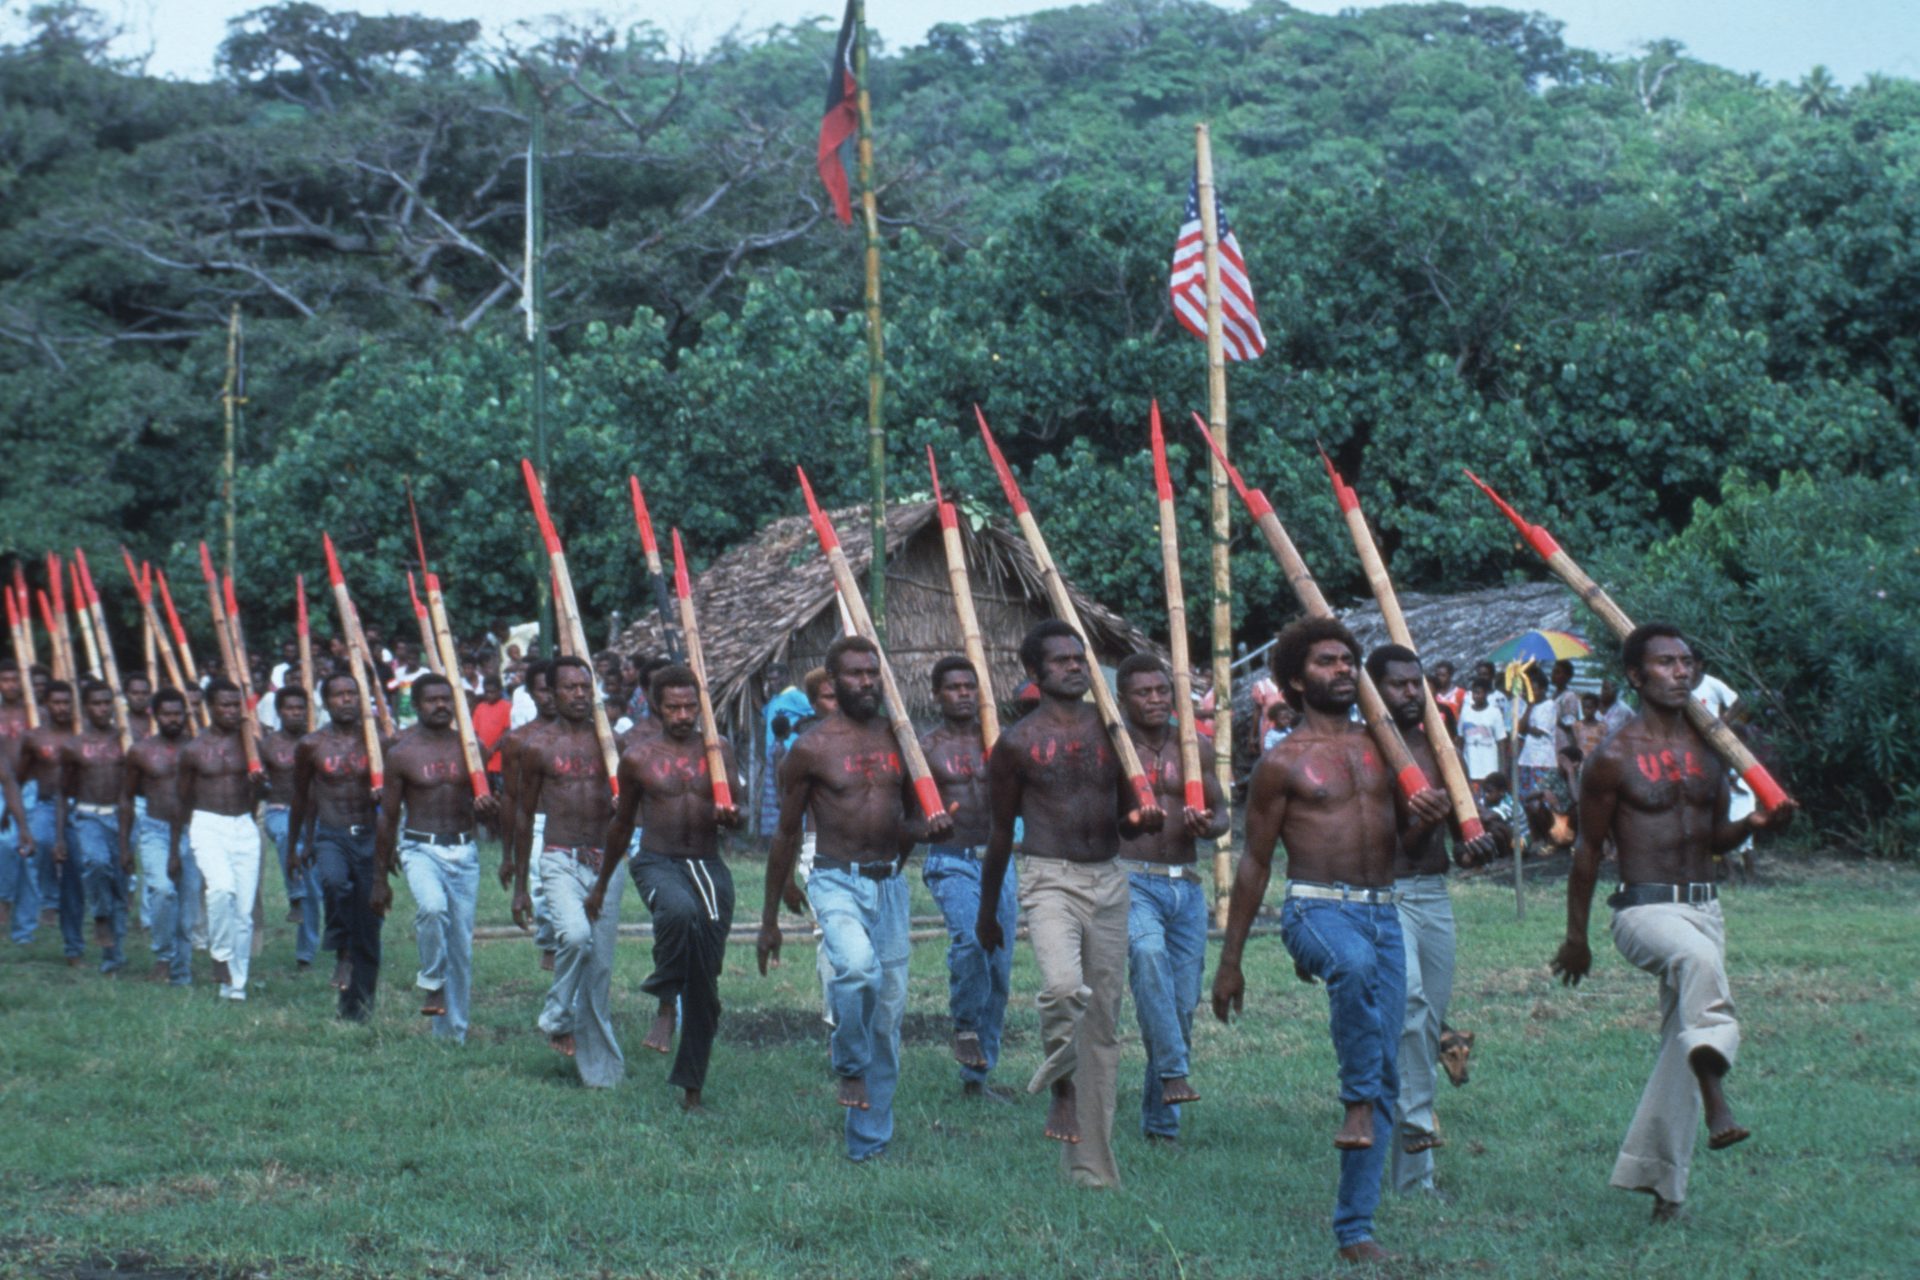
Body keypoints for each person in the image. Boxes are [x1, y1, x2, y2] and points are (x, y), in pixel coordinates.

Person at [1211, 619, 1449, 1264]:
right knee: (1352, 965)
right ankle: (1355, 1104)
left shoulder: (1387, 750)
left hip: (1383, 909)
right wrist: (1230, 961)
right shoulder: (1282, 761)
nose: (1343, 669)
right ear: (1295, 680)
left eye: (1349, 660)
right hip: (1316, 909)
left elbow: (1411, 848)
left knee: (1390, 1072)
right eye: (1327, 662)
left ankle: (1355, 1231)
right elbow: (1256, 863)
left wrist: (1432, 821)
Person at [1551, 623, 1793, 1222]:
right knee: (1699, 966)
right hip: (1644, 910)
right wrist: (1576, 937)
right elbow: (1586, 851)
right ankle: (1717, 1093)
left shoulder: (1711, 751)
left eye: (1687, 662)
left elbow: (1714, 838)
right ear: (1636, 675)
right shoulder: (1611, 756)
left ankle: (1662, 1187)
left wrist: (1754, 828)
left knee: (1676, 1042)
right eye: (1665, 663)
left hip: (1704, 905)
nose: (1681, 672)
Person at [975, 621, 1162, 1189]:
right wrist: (988, 912)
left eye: (1079, 658)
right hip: (1049, 879)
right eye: (1060, 661)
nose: (1075, 667)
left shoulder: (1114, 731)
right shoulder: (1015, 744)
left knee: (1101, 1027)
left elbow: (1131, 811)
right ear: (1035, 675)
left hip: (1109, 878)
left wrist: (1141, 819)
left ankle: (1092, 1172)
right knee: (1061, 989)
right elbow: (1001, 834)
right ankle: (1060, 1083)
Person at [757, 636, 954, 1161]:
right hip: (834, 879)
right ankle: (847, 1061)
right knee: (857, 970)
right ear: (832, 681)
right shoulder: (812, 748)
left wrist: (929, 829)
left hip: (889, 885)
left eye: (873, 673)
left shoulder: (903, 741)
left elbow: (910, 819)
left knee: (887, 1017)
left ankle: (868, 1141)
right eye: (855, 674)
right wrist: (769, 919)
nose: (866, 682)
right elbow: (785, 833)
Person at [583, 663, 743, 1110]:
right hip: (657, 861)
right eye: (673, 707)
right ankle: (665, 999)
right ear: (656, 706)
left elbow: (742, 810)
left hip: (708, 865)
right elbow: (620, 825)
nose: (683, 714)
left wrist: (733, 817)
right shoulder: (638, 757)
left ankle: (692, 1086)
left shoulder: (719, 750)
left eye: (691, 706)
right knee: (678, 911)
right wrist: (600, 886)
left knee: (706, 987)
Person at [1369, 646, 1495, 1196]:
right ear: (1373, 691)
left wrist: (1478, 842)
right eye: (1395, 686)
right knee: (1412, 1007)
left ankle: (1413, 1180)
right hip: (1385, 893)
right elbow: (1386, 842)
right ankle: (1416, 1127)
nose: (1408, 694)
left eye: (1414, 684)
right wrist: (1428, 823)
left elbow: (1461, 830)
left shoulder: (1440, 744)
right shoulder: (1367, 750)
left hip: (1433, 894)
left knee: (1427, 1024)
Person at [1114, 654, 1228, 1145]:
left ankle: (1161, 1125)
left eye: (1163, 691)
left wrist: (1209, 825)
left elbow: (1222, 813)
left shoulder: (1195, 747)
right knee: (1147, 954)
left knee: (1181, 1005)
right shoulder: (1114, 751)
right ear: (1123, 699)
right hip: (1131, 878)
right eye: (1144, 692)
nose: (1156, 699)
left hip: (1187, 884)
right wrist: (1132, 822)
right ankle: (1175, 1070)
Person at [513, 655, 625, 1085]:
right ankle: (558, 1014)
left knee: (599, 969)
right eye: (570, 688)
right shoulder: (538, 747)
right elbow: (524, 814)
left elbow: (633, 806)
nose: (579, 694)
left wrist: (623, 805)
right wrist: (521, 885)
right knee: (576, 937)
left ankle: (601, 1072)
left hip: (606, 862)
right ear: (552, 693)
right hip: (560, 857)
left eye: (585, 687)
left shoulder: (612, 744)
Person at [373, 673, 496, 1043]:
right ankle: (431, 980)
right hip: (419, 847)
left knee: (460, 946)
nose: (440, 706)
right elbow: (389, 816)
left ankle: (451, 1034)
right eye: (432, 700)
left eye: (447, 699)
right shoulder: (401, 752)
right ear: (418, 704)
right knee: (431, 908)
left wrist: (487, 807)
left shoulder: (472, 749)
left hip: (463, 850)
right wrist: (379, 878)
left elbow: (492, 814)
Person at [917, 656, 1018, 1100]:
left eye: (970, 686)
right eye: (953, 687)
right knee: (971, 940)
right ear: (936, 694)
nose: (963, 694)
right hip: (951, 858)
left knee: (998, 968)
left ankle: (977, 1079)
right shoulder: (925, 748)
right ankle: (962, 1024)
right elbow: (906, 812)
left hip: (999, 861)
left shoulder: (999, 743)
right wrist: (924, 827)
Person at [289, 672, 385, 1019]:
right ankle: (341, 948)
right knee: (332, 881)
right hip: (332, 835)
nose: (346, 699)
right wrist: (293, 848)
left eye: (351, 693)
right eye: (338, 694)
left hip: (371, 838)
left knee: (369, 922)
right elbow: (300, 797)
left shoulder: (378, 741)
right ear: (325, 701)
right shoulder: (312, 745)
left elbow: (399, 794)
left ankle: (357, 1008)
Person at [172, 680, 261, 1001]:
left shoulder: (251, 744)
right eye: (225, 705)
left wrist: (259, 784)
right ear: (210, 707)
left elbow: (263, 791)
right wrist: (173, 849)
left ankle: (235, 985)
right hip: (207, 825)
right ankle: (220, 954)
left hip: (243, 825)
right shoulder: (194, 750)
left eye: (236, 705)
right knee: (222, 889)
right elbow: (181, 801)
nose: (231, 711)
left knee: (244, 912)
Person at [57, 682, 131, 974]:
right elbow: (63, 793)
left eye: (106, 702)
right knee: (96, 863)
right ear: (86, 707)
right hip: (88, 816)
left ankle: (113, 957)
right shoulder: (74, 746)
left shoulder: (125, 742)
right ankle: (100, 917)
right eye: (96, 703)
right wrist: (60, 836)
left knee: (120, 885)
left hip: (121, 816)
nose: (102, 708)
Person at [498, 660, 558, 971]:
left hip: (579, 824)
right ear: (531, 695)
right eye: (543, 691)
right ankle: (549, 940)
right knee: (542, 885)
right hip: (536, 823)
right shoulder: (519, 740)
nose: (550, 697)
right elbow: (510, 798)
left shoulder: (585, 734)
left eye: (554, 689)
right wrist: (507, 854)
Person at [22, 681, 81, 962]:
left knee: (74, 878)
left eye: (66, 702)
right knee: (44, 843)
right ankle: (48, 897)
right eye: (56, 702)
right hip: (45, 806)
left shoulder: (81, 735)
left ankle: (74, 946)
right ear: (46, 704)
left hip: (79, 808)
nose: (62, 708)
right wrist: (14, 811)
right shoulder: (34, 738)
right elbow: (20, 776)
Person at [262, 686, 319, 970]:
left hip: (314, 816)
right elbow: (257, 786)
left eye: (300, 708)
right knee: (287, 835)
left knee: (314, 881)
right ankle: (293, 893)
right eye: (290, 708)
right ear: (280, 711)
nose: (296, 713)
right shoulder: (268, 744)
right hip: (279, 812)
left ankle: (306, 953)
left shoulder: (317, 742)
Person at [0, 660, 43, 941]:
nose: (11, 685)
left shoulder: (37, 714)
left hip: (30, 788)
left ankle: (24, 928)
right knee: (4, 847)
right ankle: (4, 906)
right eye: (5, 680)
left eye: (15, 679)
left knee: (26, 855)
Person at [1456, 678, 1507, 797]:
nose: (1476, 696)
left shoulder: (1494, 713)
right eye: (1474, 693)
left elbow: (1501, 742)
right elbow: (1460, 739)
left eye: (1479, 692)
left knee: (1488, 796)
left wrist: (1503, 769)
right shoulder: (1465, 712)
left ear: (1486, 693)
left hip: (1489, 766)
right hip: (1470, 764)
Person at [123, 673, 154, 740]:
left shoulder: (157, 722)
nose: (140, 697)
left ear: (150, 695)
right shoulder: (120, 724)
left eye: (145, 693)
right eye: (135, 693)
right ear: (126, 695)